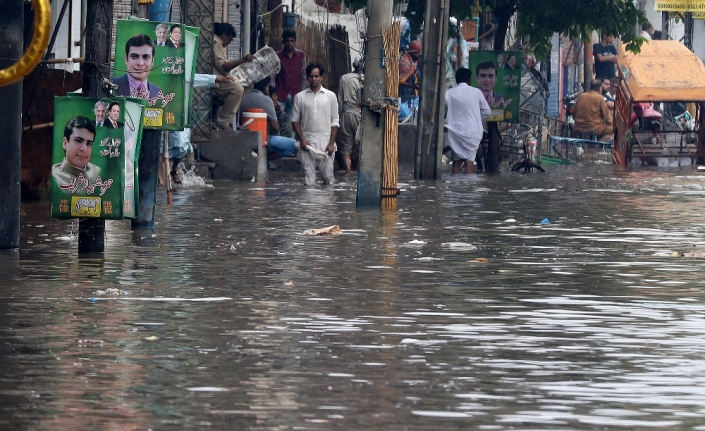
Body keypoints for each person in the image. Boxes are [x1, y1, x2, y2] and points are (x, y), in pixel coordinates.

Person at [292, 63, 339, 186]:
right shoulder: (299, 97)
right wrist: (302, 139)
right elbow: (295, 120)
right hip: (307, 144)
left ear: (321, 77)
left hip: (326, 143)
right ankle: (309, 205)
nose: (314, 79)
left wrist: (331, 143)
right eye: (311, 76)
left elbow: (335, 122)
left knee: (328, 179)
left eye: (316, 76)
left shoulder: (331, 96)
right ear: (307, 77)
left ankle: (327, 206)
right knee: (309, 180)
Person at [239, 77, 297, 169]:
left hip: (243, 136)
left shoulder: (243, 97)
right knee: (293, 144)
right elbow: (275, 128)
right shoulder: (266, 100)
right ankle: (266, 160)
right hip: (262, 139)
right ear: (266, 87)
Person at [445, 67, 491, 174]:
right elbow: (487, 112)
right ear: (469, 80)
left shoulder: (449, 93)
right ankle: (467, 187)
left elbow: (440, 108)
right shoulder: (477, 92)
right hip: (472, 132)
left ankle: (454, 186)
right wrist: (477, 118)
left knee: (456, 159)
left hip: (455, 132)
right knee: (469, 160)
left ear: (456, 80)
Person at [212, 22, 254, 130]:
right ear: (225, 35)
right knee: (237, 89)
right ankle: (223, 122)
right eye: (230, 39)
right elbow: (223, 67)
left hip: (222, 78)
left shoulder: (219, 44)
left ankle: (225, 100)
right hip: (216, 80)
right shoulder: (215, 42)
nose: (229, 43)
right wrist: (243, 60)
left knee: (248, 85)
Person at [272, 29, 307, 131]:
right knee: (278, 120)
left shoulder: (301, 55)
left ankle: (291, 143)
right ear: (283, 42)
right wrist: (273, 94)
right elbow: (272, 76)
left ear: (295, 41)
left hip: (295, 94)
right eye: (287, 41)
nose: (290, 44)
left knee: (294, 122)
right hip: (280, 93)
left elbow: (303, 75)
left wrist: (302, 92)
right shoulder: (277, 56)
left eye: (292, 41)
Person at [52, 116, 101, 187]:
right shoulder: (54, 179)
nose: (84, 149)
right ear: (65, 143)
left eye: (89, 143)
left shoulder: (99, 174)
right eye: (78, 140)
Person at [113, 34, 163, 100]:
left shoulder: (157, 92)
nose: (140, 63)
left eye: (145, 57)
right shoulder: (112, 84)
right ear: (126, 59)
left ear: (152, 61)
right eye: (134, 57)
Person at [336, 61, 364, 173]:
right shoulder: (366, 78)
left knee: (346, 148)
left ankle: (348, 173)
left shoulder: (344, 78)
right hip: (361, 116)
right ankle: (362, 172)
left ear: (354, 65)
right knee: (363, 146)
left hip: (346, 115)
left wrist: (337, 118)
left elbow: (340, 100)